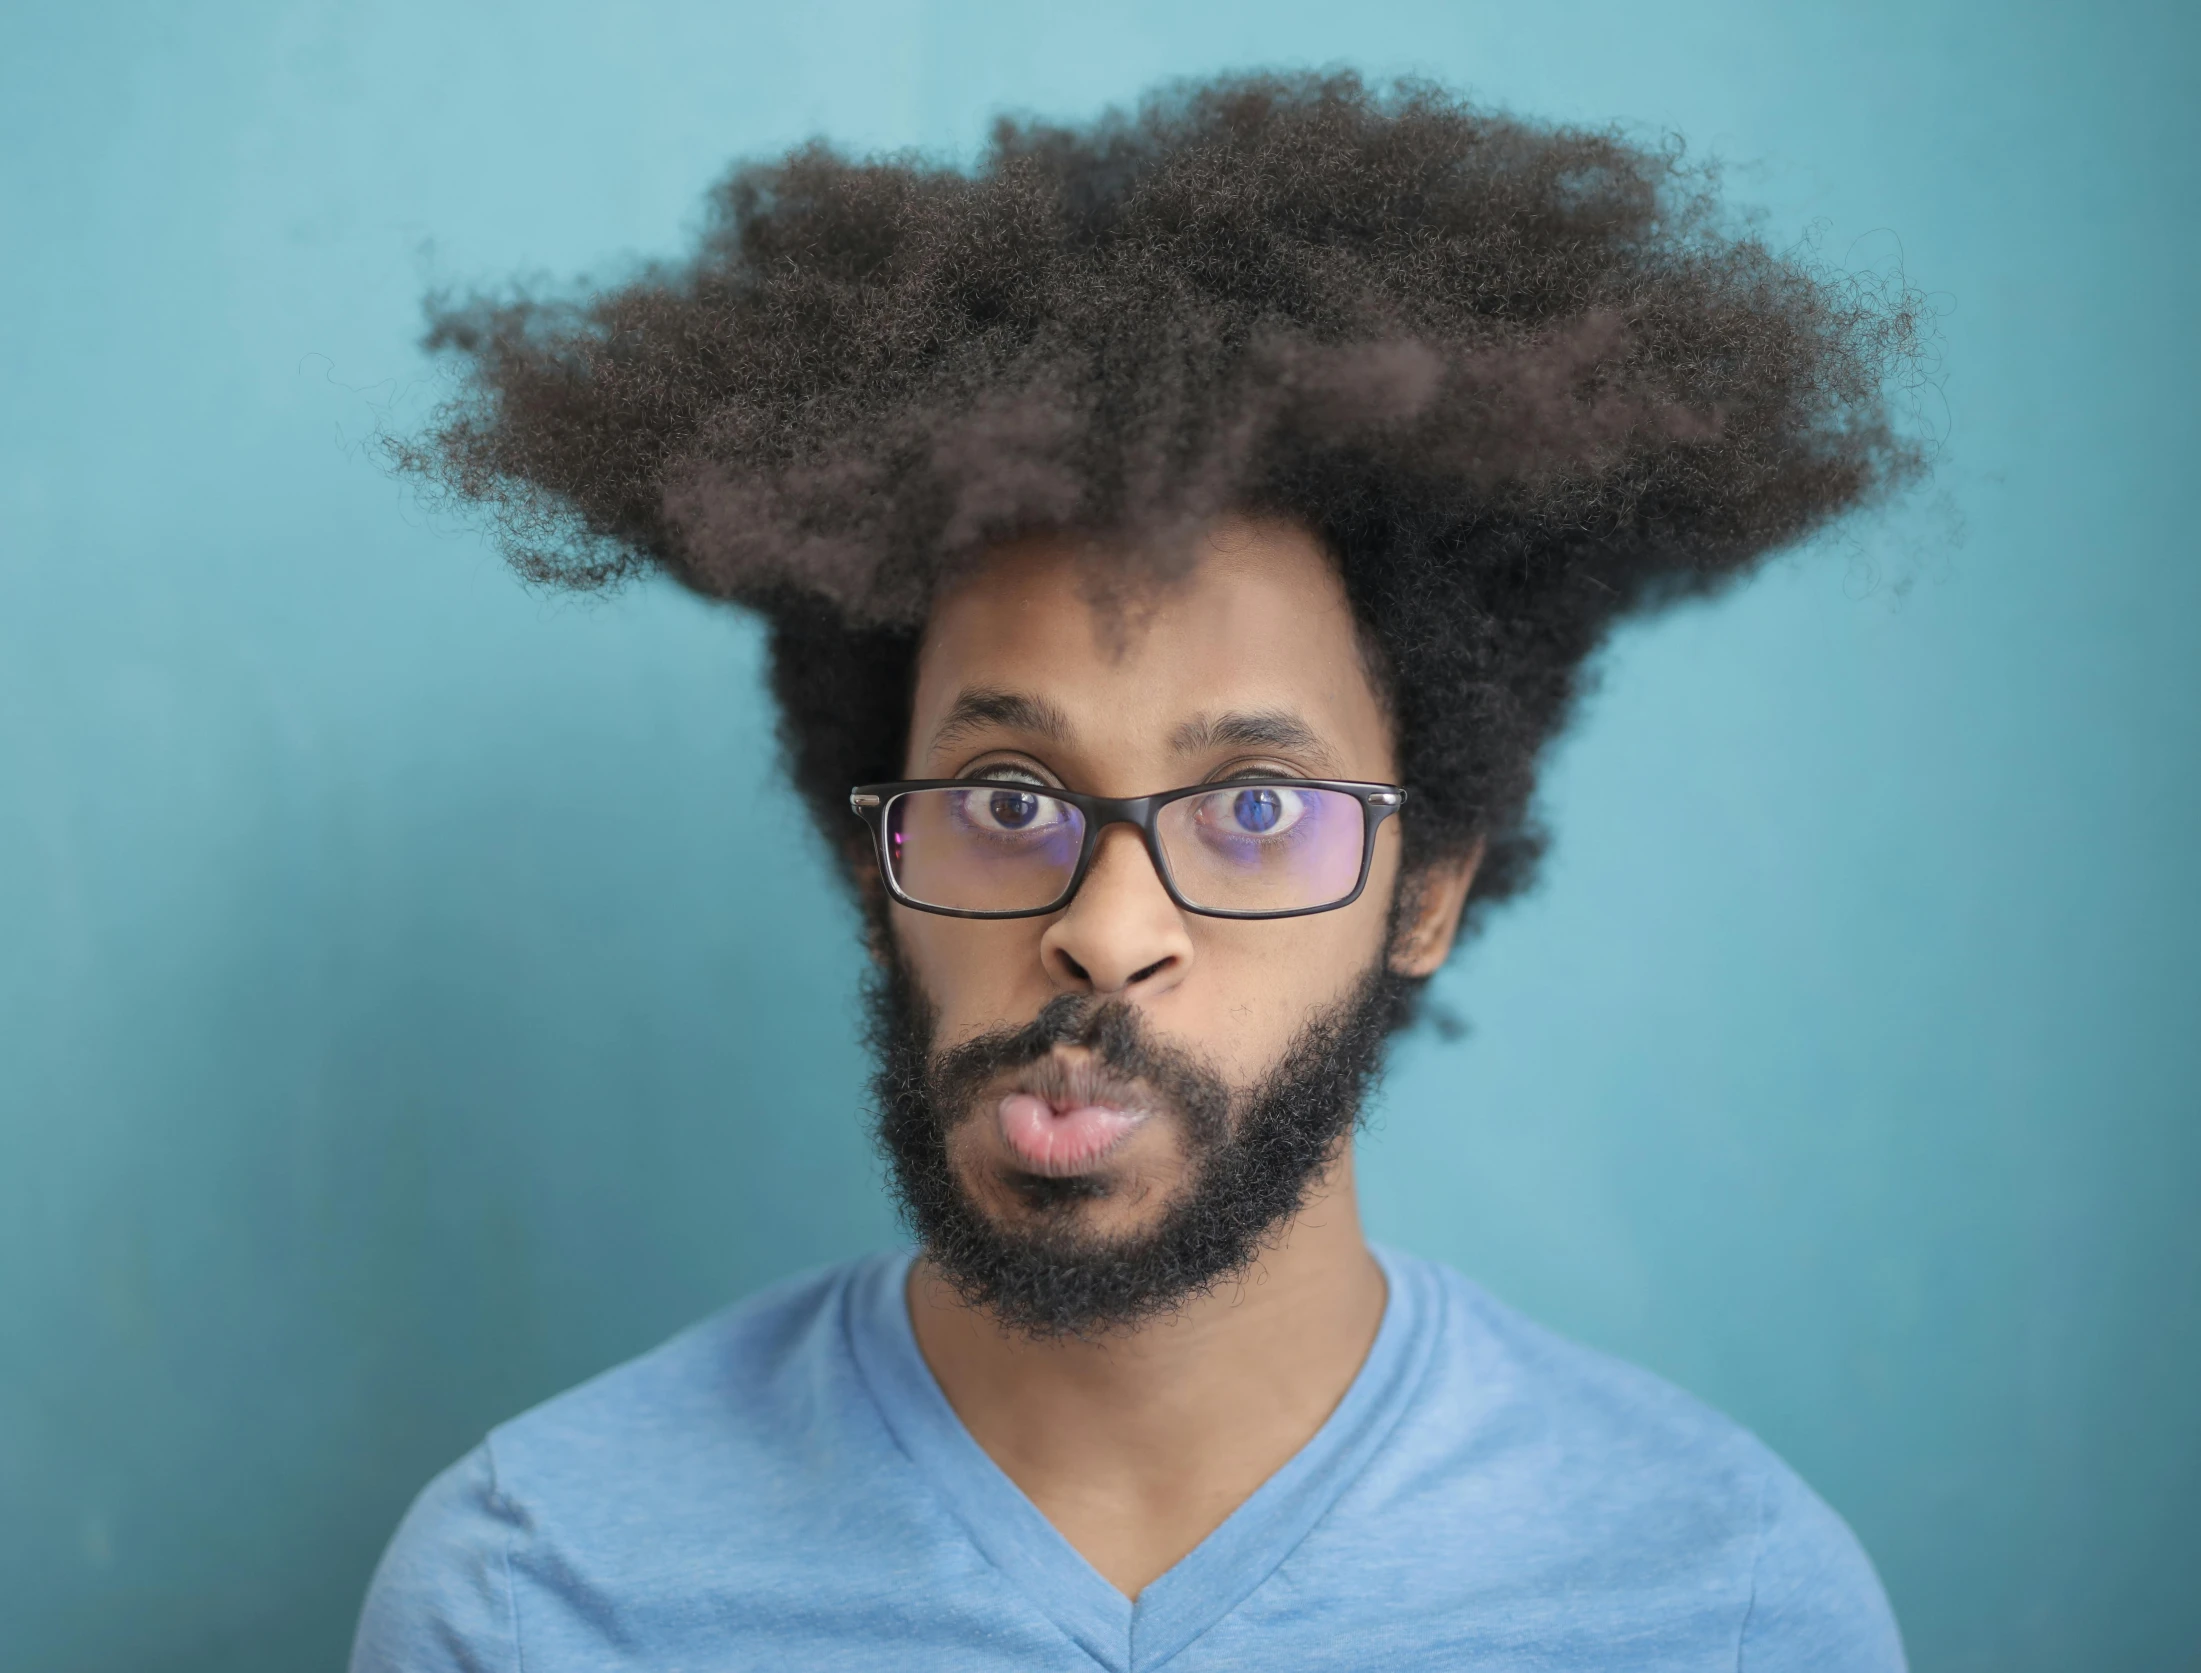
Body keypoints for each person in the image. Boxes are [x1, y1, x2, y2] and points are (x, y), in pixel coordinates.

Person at [354, 71, 1922, 1671]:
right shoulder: (540, 1593)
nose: (1106, 932)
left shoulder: (1721, 1605)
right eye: (1010, 800)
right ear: (873, 861)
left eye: (1251, 808)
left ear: (1427, 891)